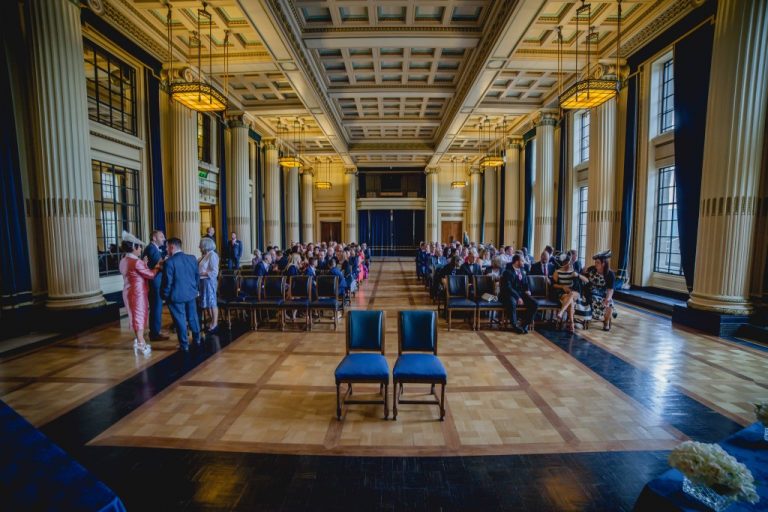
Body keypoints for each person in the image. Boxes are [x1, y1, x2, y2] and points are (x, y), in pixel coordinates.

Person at [120, 232, 160, 355]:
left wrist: (144, 264)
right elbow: (151, 275)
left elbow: (134, 272)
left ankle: (138, 340)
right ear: (134, 247)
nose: (141, 249)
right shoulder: (136, 262)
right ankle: (141, 342)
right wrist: (157, 266)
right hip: (138, 293)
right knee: (139, 315)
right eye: (139, 247)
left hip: (128, 290)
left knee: (134, 315)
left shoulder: (124, 260)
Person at [162, 238, 201, 351]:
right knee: (193, 317)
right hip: (191, 294)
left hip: (176, 296)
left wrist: (165, 295)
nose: (166, 249)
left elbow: (167, 283)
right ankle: (197, 338)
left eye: (167, 247)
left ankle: (184, 345)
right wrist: (195, 290)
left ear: (172, 247)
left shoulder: (169, 262)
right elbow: (196, 276)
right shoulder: (192, 258)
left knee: (180, 320)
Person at [499, 254, 538, 334]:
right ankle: (514, 325)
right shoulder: (507, 272)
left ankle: (525, 324)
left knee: (534, 303)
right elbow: (508, 287)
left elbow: (526, 283)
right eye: (522, 261)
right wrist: (518, 298)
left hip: (521, 293)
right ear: (517, 262)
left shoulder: (523, 271)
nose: (524, 262)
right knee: (512, 302)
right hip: (508, 294)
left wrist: (527, 290)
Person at [579, 250, 616, 331]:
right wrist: (582, 272)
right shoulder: (592, 269)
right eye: (595, 262)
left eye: (598, 262)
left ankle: (606, 322)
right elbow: (584, 278)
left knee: (610, 304)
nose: (595, 264)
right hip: (590, 292)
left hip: (603, 294)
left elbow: (610, 289)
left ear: (603, 264)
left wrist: (607, 299)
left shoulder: (610, 274)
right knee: (593, 300)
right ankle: (589, 317)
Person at [142, 229, 169, 341]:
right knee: (156, 308)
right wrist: (166, 260)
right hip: (154, 283)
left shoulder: (153, 248)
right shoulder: (151, 248)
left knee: (156, 307)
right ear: (154, 238)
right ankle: (154, 333)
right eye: (161, 236)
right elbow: (160, 265)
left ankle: (155, 331)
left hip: (156, 282)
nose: (164, 238)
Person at [552, 253, 580, 333]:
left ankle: (561, 312)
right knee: (570, 302)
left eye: (569, 263)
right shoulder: (557, 272)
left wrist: (576, 275)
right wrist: (563, 287)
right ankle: (571, 323)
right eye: (565, 263)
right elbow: (553, 285)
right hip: (563, 292)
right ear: (562, 264)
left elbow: (582, 282)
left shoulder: (574, 272)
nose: (568, 265)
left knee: (571, 294)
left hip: (575, 292)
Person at [198, 237, 220, 334]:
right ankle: (211, 321)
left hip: (209, 281)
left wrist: (201, 273)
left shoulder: (212, 255)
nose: (199, 246)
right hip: (203, 282)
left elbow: (214, 272)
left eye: (201, 244)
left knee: (212, 302)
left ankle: (215, 323)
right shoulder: (205, 255)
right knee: (206, 303)